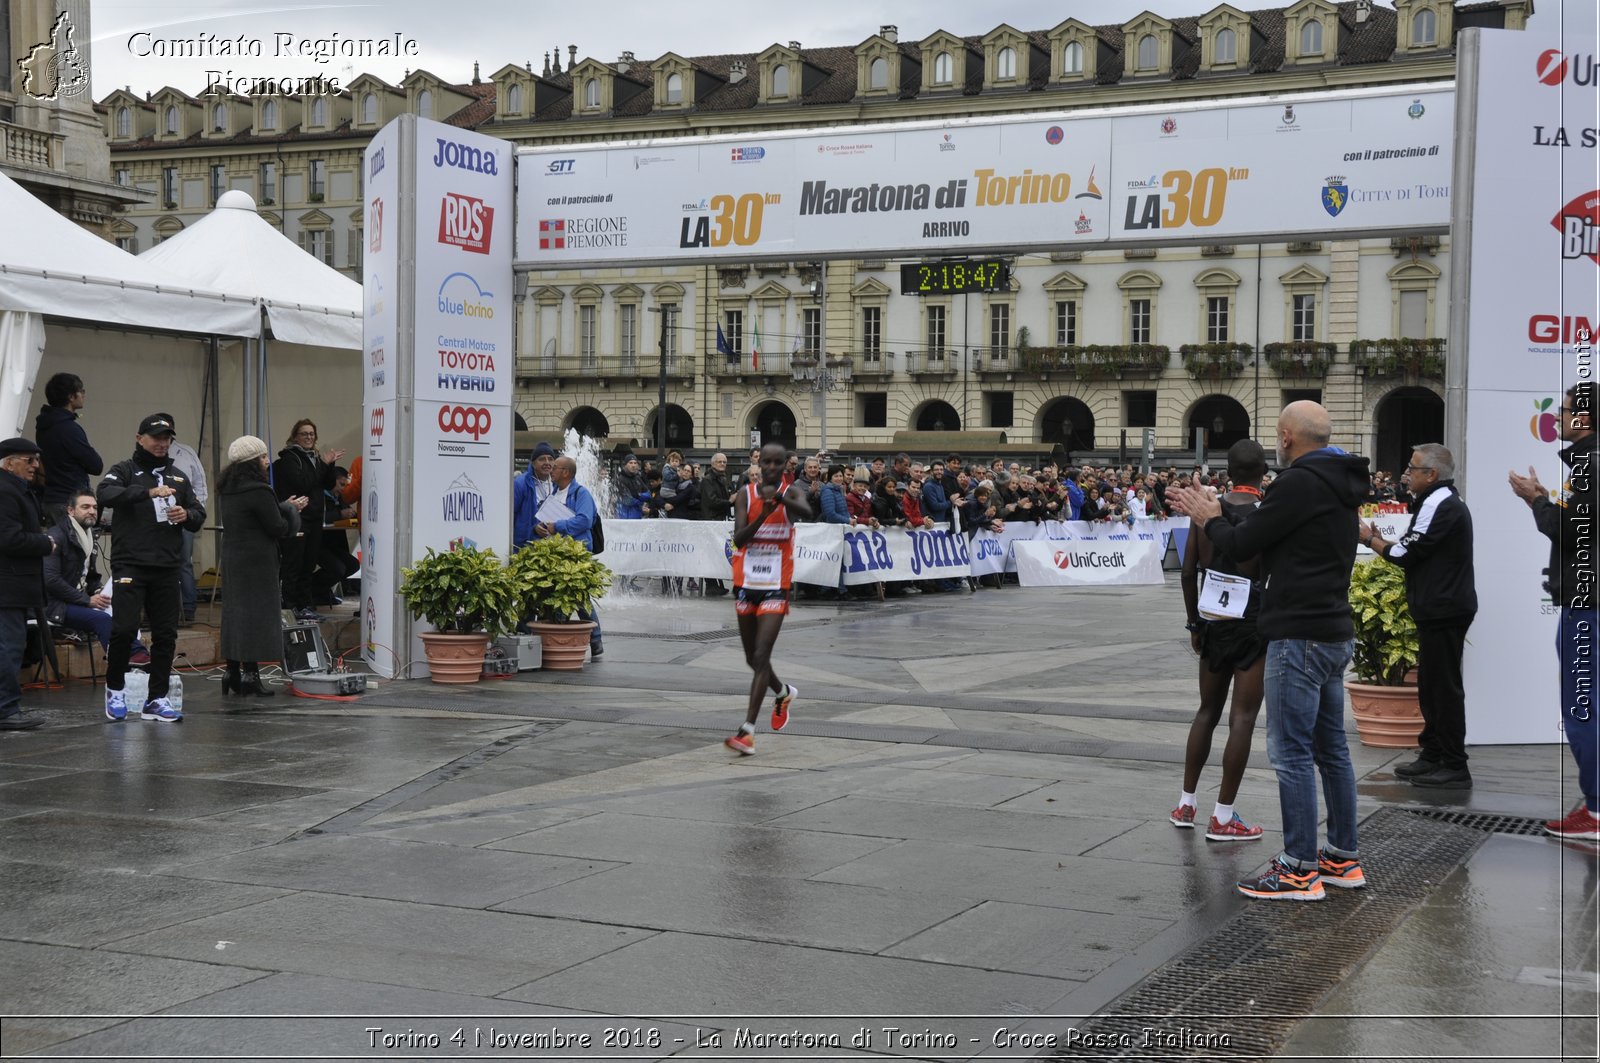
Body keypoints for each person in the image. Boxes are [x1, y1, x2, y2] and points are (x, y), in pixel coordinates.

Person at [1168, 401, 1371, 901]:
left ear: (1285, 437)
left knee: (1292, 752)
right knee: (1332, 751)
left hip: (1297, 634)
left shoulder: (1299, 483)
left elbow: (1244, 543)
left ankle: (1299, 867)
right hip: (1332, 629)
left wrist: (1211, 517)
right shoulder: (1342, 482)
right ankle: (1342, 858)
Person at [1510, 381, 1600, 840]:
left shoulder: (1589, 463)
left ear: (1584, 417)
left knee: (1582, 708)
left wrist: (1536, 500)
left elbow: (1571, 532)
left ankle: (1597, 812)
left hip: (1588, 605)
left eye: (1564, 412)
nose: (1558, 419)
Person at [1362, 443, 1477, 789]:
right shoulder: (1434, 501)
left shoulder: (1441, 502)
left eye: (1413, 468)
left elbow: (1406, 552)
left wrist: (1370, 540)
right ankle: (1433, 754)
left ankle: (1455, 764)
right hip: (1438, 607)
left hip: (1444, 608)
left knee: (1443, 689)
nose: (1406, 474)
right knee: (1430, 685)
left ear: (1432, 474)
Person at [1175, 440, 1269, 842]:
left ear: (1228, 471)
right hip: (1252, 623)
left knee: (1205, 712)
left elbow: (1186, 572)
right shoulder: (1267, 516)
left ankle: (1186, 803)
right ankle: (1223, 816)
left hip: (1213, 622)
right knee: (1242, 719)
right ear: (1263, 474)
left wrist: (1194, 623)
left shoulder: (1203, 514)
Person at [97, 414, 206, 723]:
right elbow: (104, 494)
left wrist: (186, 514)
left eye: (167, 438)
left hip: (167, 565)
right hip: (131, 562)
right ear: (139, 438)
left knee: (166, 634)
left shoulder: (179, 478)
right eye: (156, 437)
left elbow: (199, 513)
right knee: (123, 628)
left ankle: (156, 698)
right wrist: (146, 493)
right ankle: (115, 687)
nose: (162, 443)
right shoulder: (124, 470)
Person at [724, 443, 811, 755]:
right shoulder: (746, 494)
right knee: (751, 658)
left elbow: (808, 511)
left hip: (776, 585)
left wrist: (781, 500)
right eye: (767, 462)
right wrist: (764, 513)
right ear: (758, 463)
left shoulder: (792, 492)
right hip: (746, 584)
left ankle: (747, 731)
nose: (772, 468)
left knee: (761, 655)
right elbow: (739, 538)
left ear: (786, 465)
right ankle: (784, 692)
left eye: (778, 463)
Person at [218, 436, 306, 697]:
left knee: (235, 615)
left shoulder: (229, 487)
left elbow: (252, 517)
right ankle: (250, 677)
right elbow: (276, 527)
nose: (268, 462)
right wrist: (291, 510)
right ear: (252, 461)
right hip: (257, 562)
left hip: (233, 558)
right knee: (255, 619)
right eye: (263, 457)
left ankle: (232, 672)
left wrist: (281, 507)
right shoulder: (259, 489)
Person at [43, 491, 148, 664]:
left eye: (95, 507)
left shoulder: (89, 537)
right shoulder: (56, 536)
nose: (92, 511)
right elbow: (50, 580)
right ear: (70, 511)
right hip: (55, 604)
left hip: (77, 599)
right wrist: (87, 600)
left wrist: (99, 590)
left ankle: (137, 656)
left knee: (122, 609)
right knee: (102, 619)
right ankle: (128, 659)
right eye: (85, 507)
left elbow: (89, 577)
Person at [0, 438, 51, 730]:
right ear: (9, 462)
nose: (35, 466)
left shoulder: (16, 490)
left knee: (10, 646)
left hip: (14, 586)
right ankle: (6, 709)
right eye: (28, 460)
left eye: (36, 460)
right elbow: (8, 538)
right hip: (9, 586)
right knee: (9, 647)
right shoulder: (6, 492)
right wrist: (45, 542)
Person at [532, 455, 603, 659]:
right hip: (557, 552)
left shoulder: (581, 494)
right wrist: (539, 527)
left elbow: (584, 521)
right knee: (560, 595)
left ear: (566, 473)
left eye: (555, 467)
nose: (551, 470)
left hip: (577, 552)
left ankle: (595, 639)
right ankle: (558, 636)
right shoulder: (554, 492)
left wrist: (558, 526)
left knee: (579, 596)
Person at [272, 419, 344, 623]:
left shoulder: (316, 458)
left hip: (314, 520)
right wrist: (323, 464)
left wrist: (330, 465)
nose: (309, 437)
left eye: (312, 434)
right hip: (297, 520)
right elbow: (303, 483)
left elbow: (328, 484)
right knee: (293, 565)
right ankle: (290, 607)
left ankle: (305, 606)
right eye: (304, 434)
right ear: (295, 436)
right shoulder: (289, 458)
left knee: (308, 565)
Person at [154, 413, 208, 624]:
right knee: (156, 562)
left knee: (183, 562)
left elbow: (200, 484)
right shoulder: (148, 453)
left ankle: (188, 607)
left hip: (182, 517)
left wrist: (196, 514)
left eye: (166, 434)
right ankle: (156, 610)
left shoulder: (186, 453)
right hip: (157, 521)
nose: (162, 440)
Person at [34, 372, 103, 513]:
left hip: (51, 498)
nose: (84, 394)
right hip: (69, 500)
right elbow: (96, 465)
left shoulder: (44, 425)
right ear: (71, 397)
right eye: (81, 391)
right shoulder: (68, 428)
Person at [512, 441, 557, 548]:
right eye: (542, 459)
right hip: (526, 547)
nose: (547, 462)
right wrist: (533, 528)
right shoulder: (521, 483)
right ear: (533, 463)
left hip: (552, 546)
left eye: (550, 459)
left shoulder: (557, 483)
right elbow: (511, 517)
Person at [613, 455, 649, 519]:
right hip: (624, 516)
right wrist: (640, 499)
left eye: (635, 463)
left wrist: (638, 496)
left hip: (637, 515)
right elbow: (627, 500)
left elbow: (648, 494)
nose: (633, 465)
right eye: (630, 463)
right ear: (625, 465)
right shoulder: (620, 479)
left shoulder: (638, 478)